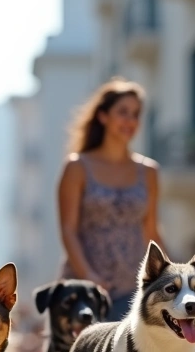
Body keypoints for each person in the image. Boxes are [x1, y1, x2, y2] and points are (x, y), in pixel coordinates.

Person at [57, 77, 167, 321]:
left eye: (136, 114)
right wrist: (89, 276)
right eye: (123, 112)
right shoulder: (77, 167)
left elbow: (151, 232)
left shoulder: (149, 171)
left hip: (133, 292)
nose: (130, 121)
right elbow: (68, 230)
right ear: (103, 116)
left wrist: (173, 276)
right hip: (84, 291)